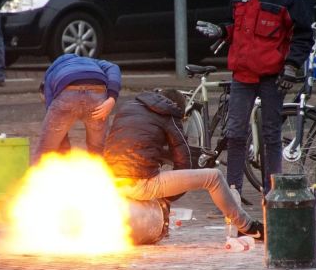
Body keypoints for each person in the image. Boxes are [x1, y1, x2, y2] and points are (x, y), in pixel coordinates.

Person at [196, 0, 313, 195]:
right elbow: (234, 27)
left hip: (273, 76)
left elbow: (303, 34)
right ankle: (233, 192)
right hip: (243, 74)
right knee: (235, 133)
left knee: (272, 136)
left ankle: (274, 193)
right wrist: (221, 31)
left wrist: (291, 67)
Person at [104, 89, 264, 240]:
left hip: (109, 182)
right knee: (213, 177)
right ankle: (248, 227)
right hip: (140, 184)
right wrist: (166, 199)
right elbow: (184, 162)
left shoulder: (128, 107)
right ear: (178, 108)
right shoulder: (170, 115)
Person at [32, 54, 121, 164]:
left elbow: (56, 127)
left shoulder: (50, 75)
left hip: (68, 91)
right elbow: (113, 67)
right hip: (98, 94)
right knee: (98, 149)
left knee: (46, 149)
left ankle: (38, 180)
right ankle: (100, 179)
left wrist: (65, 153)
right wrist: (112, 98)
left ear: (42, 90)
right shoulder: (93, 62)